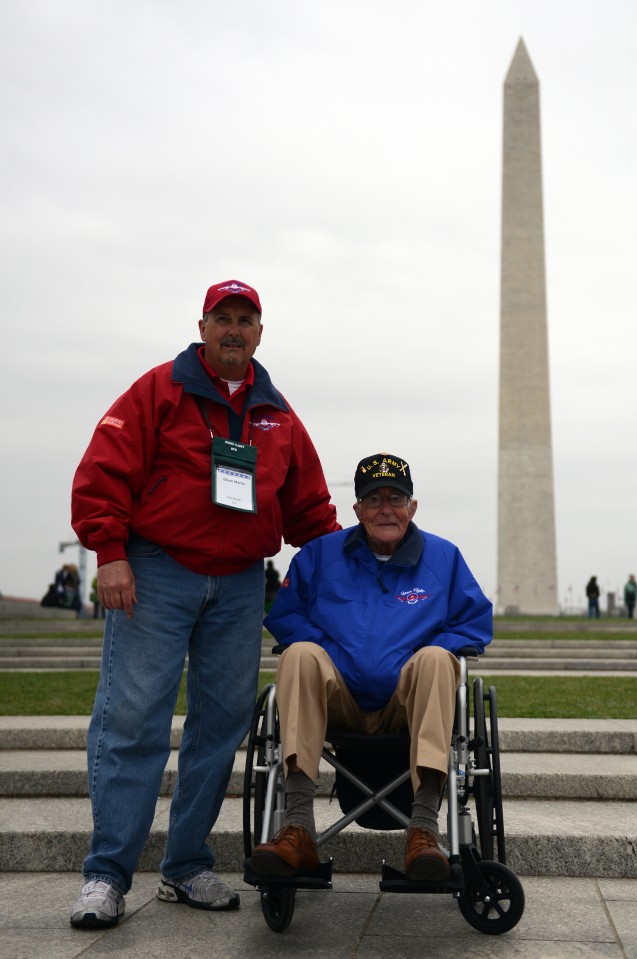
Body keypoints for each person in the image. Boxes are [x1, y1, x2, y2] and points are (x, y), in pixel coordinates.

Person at [69, 279, 339, 929]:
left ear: (260, 333)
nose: (235, 329)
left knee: (220, 726)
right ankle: (106, 875)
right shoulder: (158, 389)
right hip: (157, 571)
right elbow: (104, 471)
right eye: (224, 318)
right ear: (203, 324)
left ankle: (186, 863)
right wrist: (110, 552)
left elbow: (311, 510)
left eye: (246, 320)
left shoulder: (277, 413)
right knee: (133, 719)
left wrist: (357, 574)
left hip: (243, 580)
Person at [250, 453, 492, 882]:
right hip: (338, 697)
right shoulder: (319, 557)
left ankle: (423, 829)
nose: (386, 508)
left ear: (412, 507)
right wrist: (334, 653)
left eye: (396, 498)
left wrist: (419, 653)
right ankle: (298, 826)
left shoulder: (443, 558)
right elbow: (286, 617)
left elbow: (473, 622)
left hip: (405, 698)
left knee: (439, 660)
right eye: (373, 498)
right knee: (299, 654)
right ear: (357, 509)